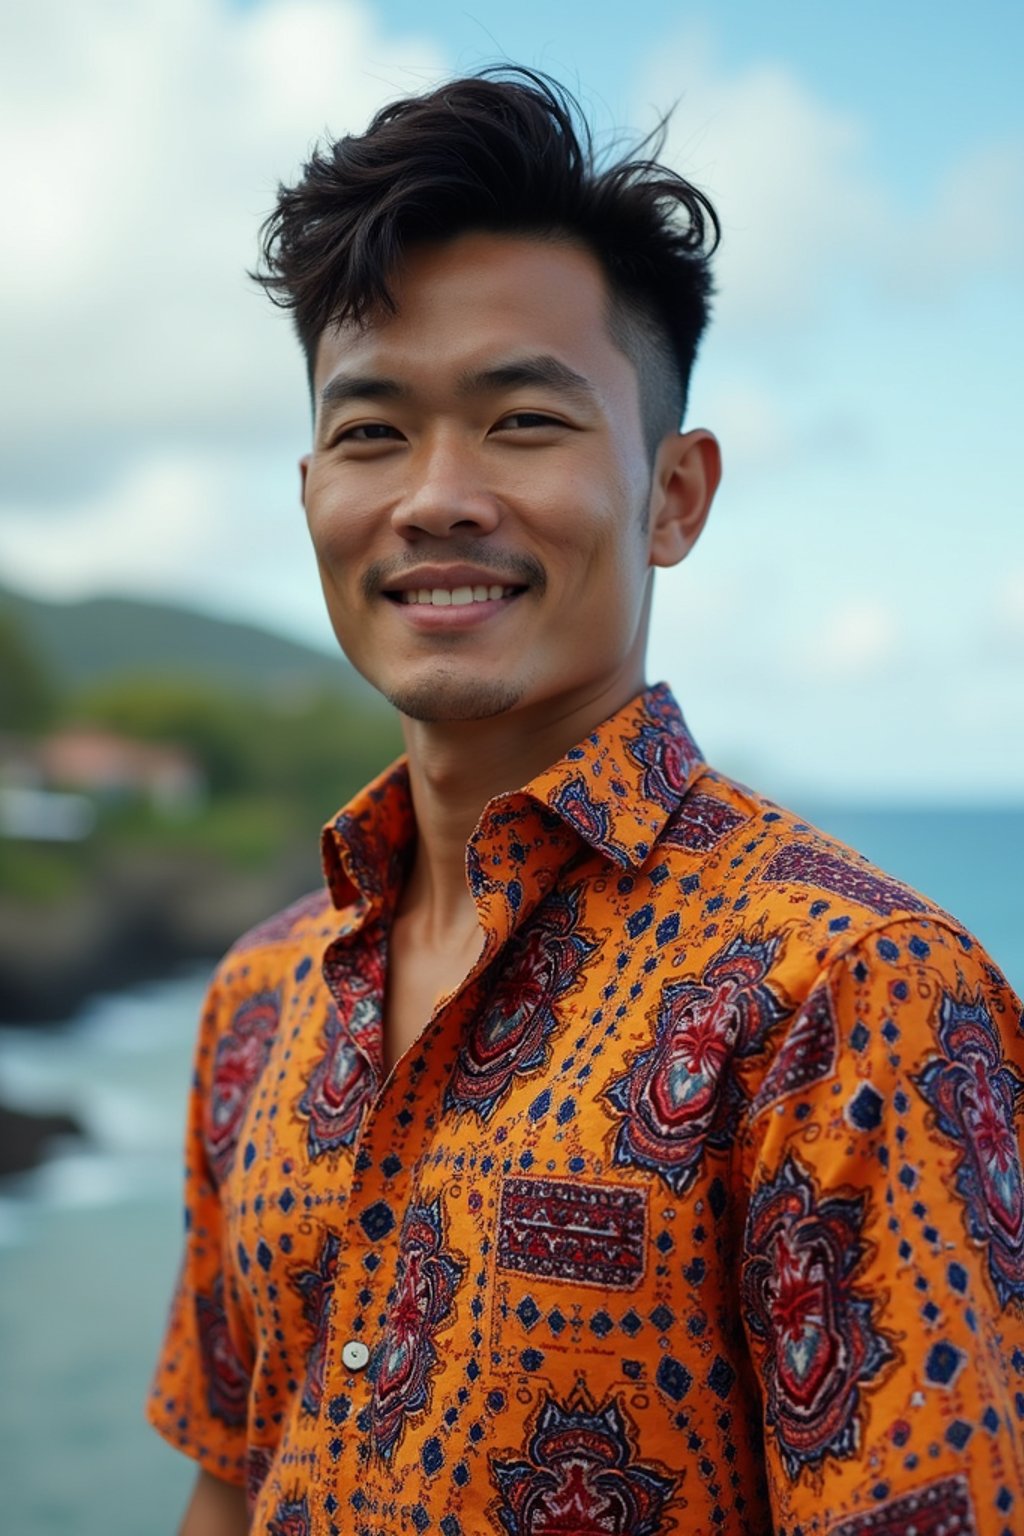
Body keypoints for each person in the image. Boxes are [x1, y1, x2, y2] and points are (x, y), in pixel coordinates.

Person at [148, 70, 1024, 1536]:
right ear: (311, 494)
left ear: (674, 495)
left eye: (523, 422)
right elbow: (233, 1486)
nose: (436, 496)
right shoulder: (260, 999)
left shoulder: (852, 995)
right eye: (372, 433)